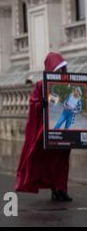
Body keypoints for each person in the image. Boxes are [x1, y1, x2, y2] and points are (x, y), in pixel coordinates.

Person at [15, 52, 72, 202]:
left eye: (62, 69)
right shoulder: (41, 85)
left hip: (65, 129)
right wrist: (42, 104)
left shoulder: (68, 84)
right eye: (57, 69)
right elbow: (33, 104)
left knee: (63, 161)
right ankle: (55, 188)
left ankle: (62, 189)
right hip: (48, 130)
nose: (60, 72)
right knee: (51, 161)